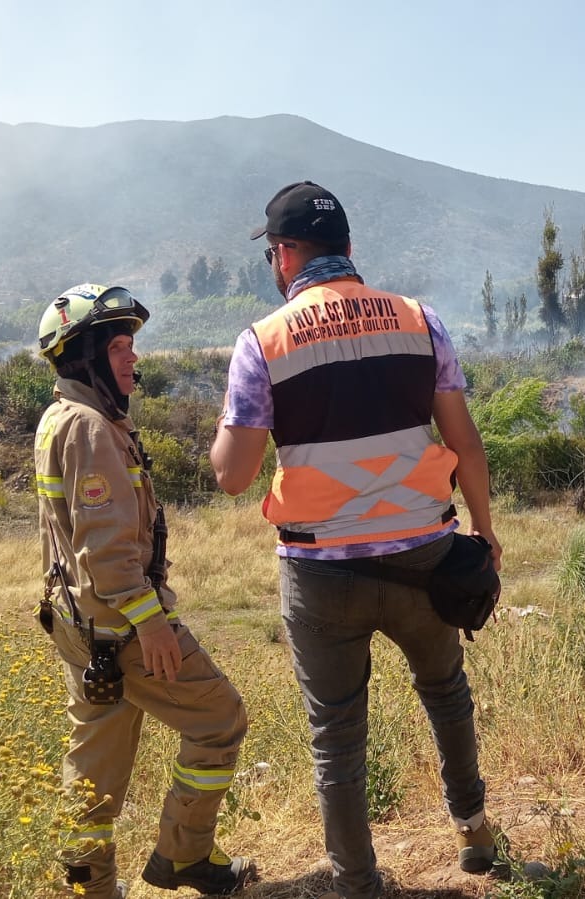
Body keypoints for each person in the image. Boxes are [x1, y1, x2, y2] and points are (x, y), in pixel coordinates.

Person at [210, 182, 505, 899]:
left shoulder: (263, 341)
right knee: (446, 692)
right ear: (348, 250)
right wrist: (484, 529)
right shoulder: (418, 320)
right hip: (424, 554)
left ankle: (356, 882)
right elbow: (463, 441)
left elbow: (233, 475)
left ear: (283, 256)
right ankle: (473, 835)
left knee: (336, 736)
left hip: (319, 572)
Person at [33, 283, 257, 898]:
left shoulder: (62, 417)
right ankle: (182, 858)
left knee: (93, 771)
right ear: (84, 357)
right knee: (219, 719)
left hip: (85, 628)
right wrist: (152, 624)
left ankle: (90, 888)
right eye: (122, 347)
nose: (134, 359)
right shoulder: (89, 428)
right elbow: (106, 552)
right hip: (124, 628)